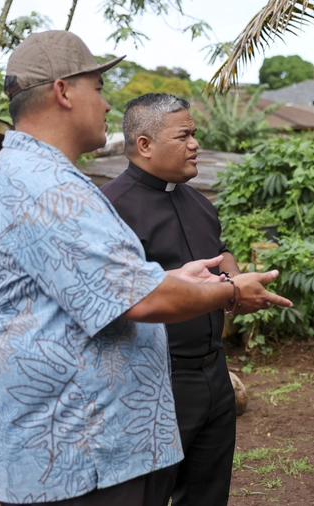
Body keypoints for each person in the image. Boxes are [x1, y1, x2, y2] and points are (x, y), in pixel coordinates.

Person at [0, 31, 291, 506]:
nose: (105, 101)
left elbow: (113, 286)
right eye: (98, 87)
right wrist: (230, 293)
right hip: (78, 452)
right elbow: (142, 300)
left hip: (95, 444)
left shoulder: (42, 177)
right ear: (63, 92)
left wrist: (177, 280)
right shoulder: (46, 188)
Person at [99, 93, 238, 506]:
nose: (196, 144)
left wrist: (233, 282)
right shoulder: (110, 209)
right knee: (148, 495)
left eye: (195, 134)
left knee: (209, 492)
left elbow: (221, 252)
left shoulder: (197, 200)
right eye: (185, 136)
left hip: (214, 372)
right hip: (152, 382)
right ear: (145, 145)